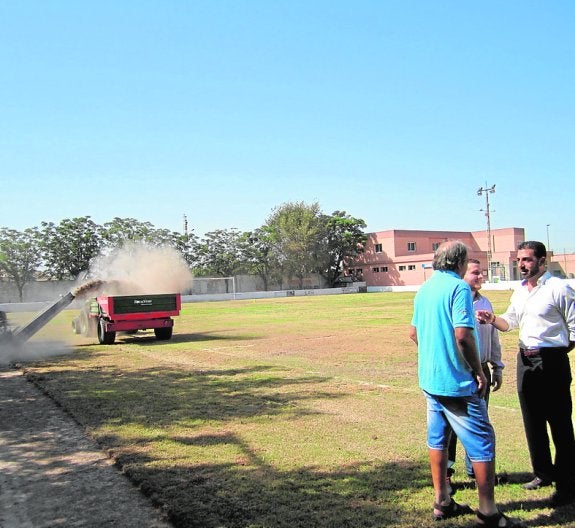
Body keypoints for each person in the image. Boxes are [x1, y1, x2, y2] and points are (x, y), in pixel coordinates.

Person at [409, 240, 524, 527]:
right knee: (483, 441)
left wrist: (435, 353)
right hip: (456, 382)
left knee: (438, 440)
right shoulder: (458, 287)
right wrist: (477, 371)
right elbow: (463, 335)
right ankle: (488, 512)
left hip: (431, 380)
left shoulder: (425, 289)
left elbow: (413, 333)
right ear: (460, 262)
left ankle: (442, 501)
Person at [476, 240, 575, 507]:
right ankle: (542, 473)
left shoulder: (560, 287)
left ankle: (567, 484)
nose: (521, 265)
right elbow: (510, 322)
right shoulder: (520, 291)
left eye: (528, 260)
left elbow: (574, 328)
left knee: (560, 424)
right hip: (525, 359)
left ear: (543, 261)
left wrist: (556, 354)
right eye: (519, 260)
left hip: (552, 359)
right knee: (532, 420)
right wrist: (491, 318)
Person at [447, 259, 504, 484]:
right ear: (463, 275)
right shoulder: (454, 301)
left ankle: (476, 472)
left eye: (482, 273)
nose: (481, 277)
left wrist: (497, 367)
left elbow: (493, 339)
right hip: (458, 371)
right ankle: (447, 474)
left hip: (482, 371)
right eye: (475, 273)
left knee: (479, 424)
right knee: (451, 425)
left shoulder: (485, 303)